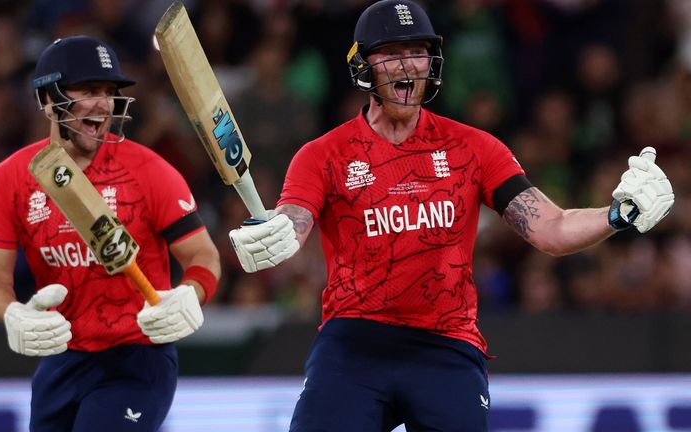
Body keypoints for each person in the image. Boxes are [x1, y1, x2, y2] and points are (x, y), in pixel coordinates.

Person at [228, 1, 675, 431]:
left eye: (418, 53)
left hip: (446, 344)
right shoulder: (324, 154)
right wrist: (276, 232)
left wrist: (617, 214)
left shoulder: (473, 148)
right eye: (393, 54)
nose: (408, 66)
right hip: (354, 341)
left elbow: (550, 228)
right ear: (363, 65)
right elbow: (295, 219)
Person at [0, 35, 221, 432]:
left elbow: (203, 256)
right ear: (49, 99)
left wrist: (192, 293)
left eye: (109, 92)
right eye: (90, 90)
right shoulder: (9, 180)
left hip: (138, 358)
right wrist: (12, 313)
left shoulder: (148, 170)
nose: (104, 104)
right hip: (61, 360)